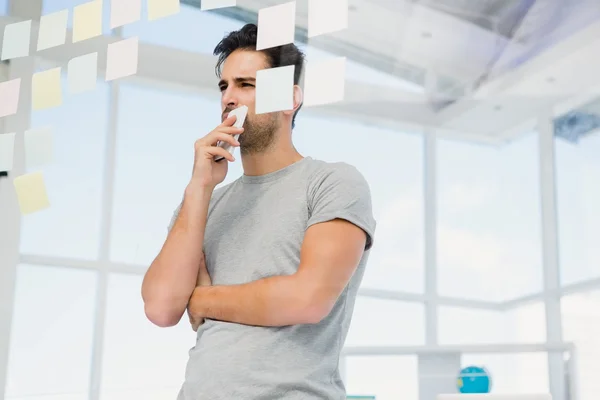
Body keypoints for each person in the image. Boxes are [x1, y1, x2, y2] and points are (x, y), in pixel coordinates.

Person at [141, 23, 376, 399]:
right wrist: (200, 186)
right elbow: (161, 307)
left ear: (289, 98)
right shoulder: (203, 202)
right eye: (224, 86)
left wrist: (201, 298)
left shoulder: (333, 183)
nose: (229, 98)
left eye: (246, 85)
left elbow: (308, 299)